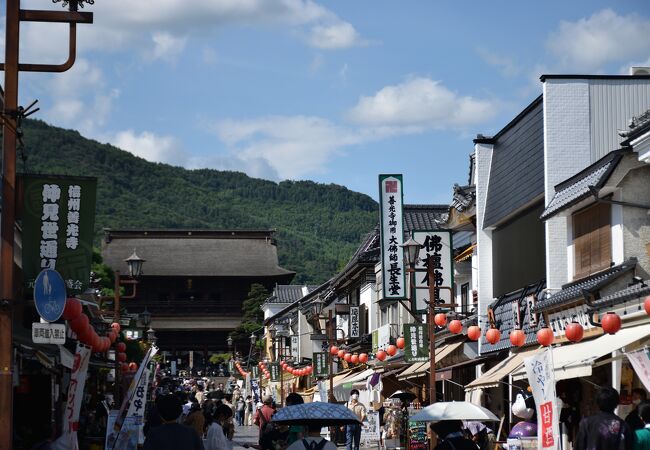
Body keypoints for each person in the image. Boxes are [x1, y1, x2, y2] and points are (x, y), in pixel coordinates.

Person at [575, 386, 634, 450]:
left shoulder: (586, 423)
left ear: (597, 403)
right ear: (617, 404)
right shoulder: (623, 426)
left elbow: (579, 446)